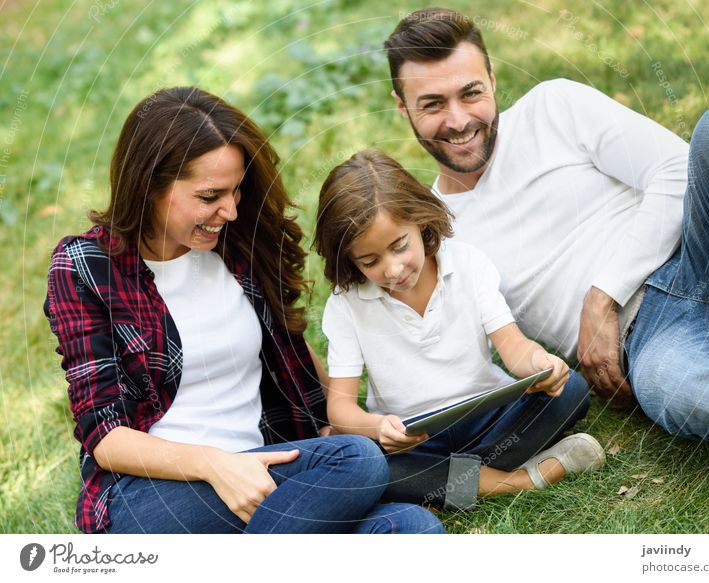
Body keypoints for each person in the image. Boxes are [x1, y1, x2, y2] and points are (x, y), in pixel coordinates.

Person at [383, 7, 709, 462]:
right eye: (432, 104)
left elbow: (676, 170)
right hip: (658, 339)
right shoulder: (435, 235)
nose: (459, 120)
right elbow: (445, 358)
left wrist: (603, 295)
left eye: (471, 93)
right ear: (402, 107)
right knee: (671, 386)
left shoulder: (553, 107)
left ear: (493, 79)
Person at [44, 86, 443, 534]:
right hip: (153, 495)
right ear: (149, 184)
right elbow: (105, 437)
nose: (230, 210)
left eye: (236, 191)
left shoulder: (239, 247)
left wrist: (348, 419)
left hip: (268, 482)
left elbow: (289, 355)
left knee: (412, 527)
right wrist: (216, 466)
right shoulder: (86, 266)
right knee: (359, 463)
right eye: (210, 195)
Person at [313, 149, 605, 511]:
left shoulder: (467, 264)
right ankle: (520, 480)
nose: (392, 270)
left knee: (571, 389)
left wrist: (540, 363)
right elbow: (340, 408)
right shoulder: (347, 305)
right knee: (369, 464)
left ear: (420, 221)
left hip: (489, 415)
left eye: (399, 246)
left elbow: (513, 346)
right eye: (370, 261)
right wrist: (376, 428)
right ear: (348, 259)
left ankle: (451, 480)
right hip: (414, 438)